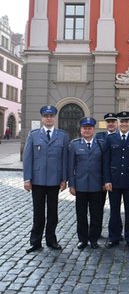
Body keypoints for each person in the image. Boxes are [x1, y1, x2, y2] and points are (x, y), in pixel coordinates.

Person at [23, 105, 69, 253]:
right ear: (42, 118)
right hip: (37, 181)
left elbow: (64, 159)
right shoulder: (33, 135)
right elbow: (28, 158)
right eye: (46, 116)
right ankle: (35, 242)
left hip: (54, 181)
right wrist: (27, 179)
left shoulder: (62, 136)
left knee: (53, 213)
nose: (48, 118)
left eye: (51, 116)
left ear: (54, 118)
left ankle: (51, 240)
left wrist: (64, 179)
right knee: (38, 213)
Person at [103, 111, 129, 249]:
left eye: (126, 121)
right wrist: (107, 180)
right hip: (113, 180)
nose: (124, 124)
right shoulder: (110, 138)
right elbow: (106, 161)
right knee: (114, 210)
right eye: (122, 121)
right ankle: (114, 237)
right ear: (118, 123)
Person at [69, 117, 104, 249]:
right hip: (81, 185)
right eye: (85, 128)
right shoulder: (75, 144)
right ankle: (82, 239)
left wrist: (104, 182)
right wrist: (71, 184)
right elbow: (71, 166)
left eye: (89, 128)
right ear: (81, 130)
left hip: (97, 185)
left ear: (93, 130)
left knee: (96, 214)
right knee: (81, 214)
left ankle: (94, 239)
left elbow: (104, 165)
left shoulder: (101, 144)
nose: (87, 130)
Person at [95, 112, 118, 238]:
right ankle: (96, 232)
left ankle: (116, 233)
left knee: (115, 208)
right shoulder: (99, 136)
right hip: (101, 177)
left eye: (113, 121)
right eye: (108, 122)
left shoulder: (120, 136)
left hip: (116, 178)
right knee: (98, 207)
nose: (110, 124)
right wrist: (103, 180)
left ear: (116, 123)